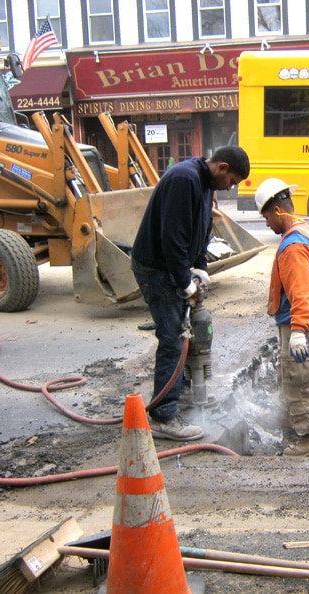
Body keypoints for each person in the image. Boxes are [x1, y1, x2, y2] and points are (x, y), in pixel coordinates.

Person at [130, 146, 250, 441]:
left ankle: (178, 392)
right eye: (232, 180)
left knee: (183, 334)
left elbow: (201, 231)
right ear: (222, 167)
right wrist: (185, 283)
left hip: (173, 267)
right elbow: (173, 238)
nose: (230, 187)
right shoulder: (184, 179)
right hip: (157, 269)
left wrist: (201, 267)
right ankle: (164, 416)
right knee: (173, 338)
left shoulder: (204, 184)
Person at [255, 177, 309, 457]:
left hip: (299, 324)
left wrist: (298, 330)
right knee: (290, 375)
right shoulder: (305, 231)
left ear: (277, 211)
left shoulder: (292, 246)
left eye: (266, 217)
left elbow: (300, 292)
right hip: (305, 321)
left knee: (300, 379)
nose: (266, 223)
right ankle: (289, 420)